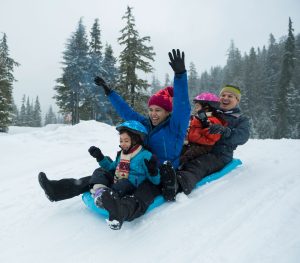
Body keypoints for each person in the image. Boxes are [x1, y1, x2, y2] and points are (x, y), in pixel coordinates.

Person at [38, 49, 191, 230]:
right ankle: (57, 190)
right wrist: (109, 92)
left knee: (143, 194)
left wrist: (180, 76)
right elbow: (126, 111)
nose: (153, 114)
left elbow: (182, 106)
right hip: (135, 165)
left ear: (167, 112)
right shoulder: (146, 124)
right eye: (151, 109)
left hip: (156, 174)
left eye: (158, 110)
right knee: (103, 175)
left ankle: (120, 211)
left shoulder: (176, 127)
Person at [162, 84, 250, 201]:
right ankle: (162, 173)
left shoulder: (240, 119)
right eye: (223, 95)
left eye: (230, 96)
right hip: (199, 147)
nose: (225, 98)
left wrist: (226, 131)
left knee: (198, 165)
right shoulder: (212, 111)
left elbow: (242, 136)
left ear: (237, 100)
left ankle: (178, 184)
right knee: (178, 155)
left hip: (219, 154)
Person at [88, 120, 160, 207]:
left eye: (126, 141)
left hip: (132, 186)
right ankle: (100, 191)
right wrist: (100, 157)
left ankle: (107, 199)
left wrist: (153, 171)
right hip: (118, 180)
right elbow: (111, 167)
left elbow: (156, 182)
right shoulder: (122, 154)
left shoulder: (145, 155)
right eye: (121, 141)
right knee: (100, 171)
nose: (123, 144)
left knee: (123, 184)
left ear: (135, 140)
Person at [179, 92, 225, 166]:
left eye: (197, 106)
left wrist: (206, 125)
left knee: (188, 155)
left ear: (206, 108)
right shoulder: (196, 118)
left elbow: (214, 137)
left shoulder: (213, 120)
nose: (195, 109)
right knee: (179, 150)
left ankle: (178, 167)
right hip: (192, 144)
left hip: (204, 146)